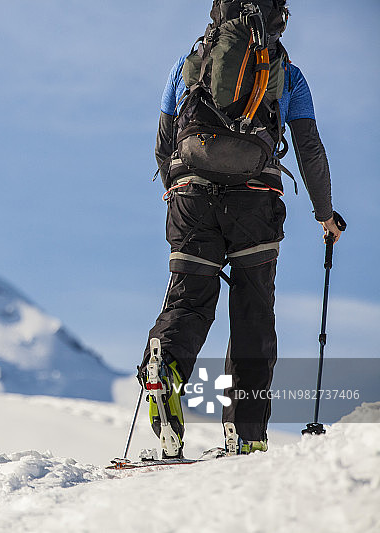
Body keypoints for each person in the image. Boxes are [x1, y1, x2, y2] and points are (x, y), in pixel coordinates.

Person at [140, 0, 342, 457]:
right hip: (256, 201)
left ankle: (166, 365)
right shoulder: (287, 74)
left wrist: (177, 188)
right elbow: (309, 149)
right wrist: (325, 214)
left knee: (189, 299)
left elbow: (163, 140)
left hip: (191, 195)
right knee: (253, 312)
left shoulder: (191, 62)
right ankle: (246, 434)